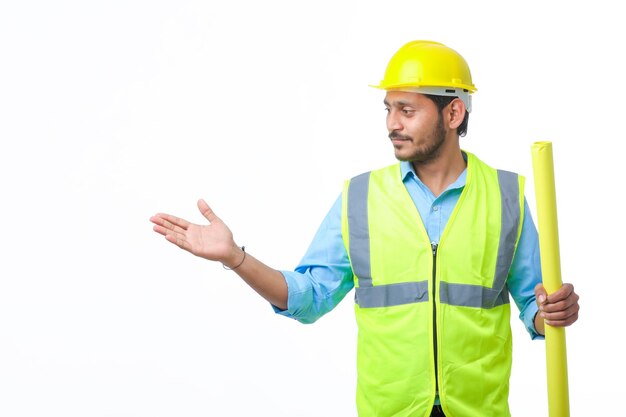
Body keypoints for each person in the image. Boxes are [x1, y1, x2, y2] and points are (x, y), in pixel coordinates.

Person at [150, 40, 580, 417]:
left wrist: (551, 314)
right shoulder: (361, 198)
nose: (392, 123)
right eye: (389, 109)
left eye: (407, 110)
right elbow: (310, 298)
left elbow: (535, 308)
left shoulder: (505, 196)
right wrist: (235, 258)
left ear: (453, 112)